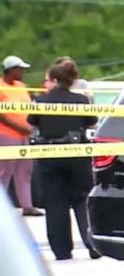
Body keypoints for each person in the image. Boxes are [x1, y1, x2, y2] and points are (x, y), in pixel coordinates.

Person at [27, 58, 99, 260]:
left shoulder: (41, 102)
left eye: (47, 80)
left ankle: (61, 250)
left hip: (50, 155)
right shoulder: (82, 100)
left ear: (56, 80)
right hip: (77, 154)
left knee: (55, 203)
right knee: (82, 199)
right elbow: (91, 124)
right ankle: (93, 244)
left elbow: (31, 122)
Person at [0, 55, 43, 216]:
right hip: (6, 134)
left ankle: (27, 205)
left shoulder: (21, 86)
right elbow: (1, 114)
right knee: (4, 171)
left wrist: (30, 126)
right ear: (11, 70)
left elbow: (30, 107)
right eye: (20, 69)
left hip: (24, 134)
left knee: (24, 170)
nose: (22, 72)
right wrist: (19, 126)